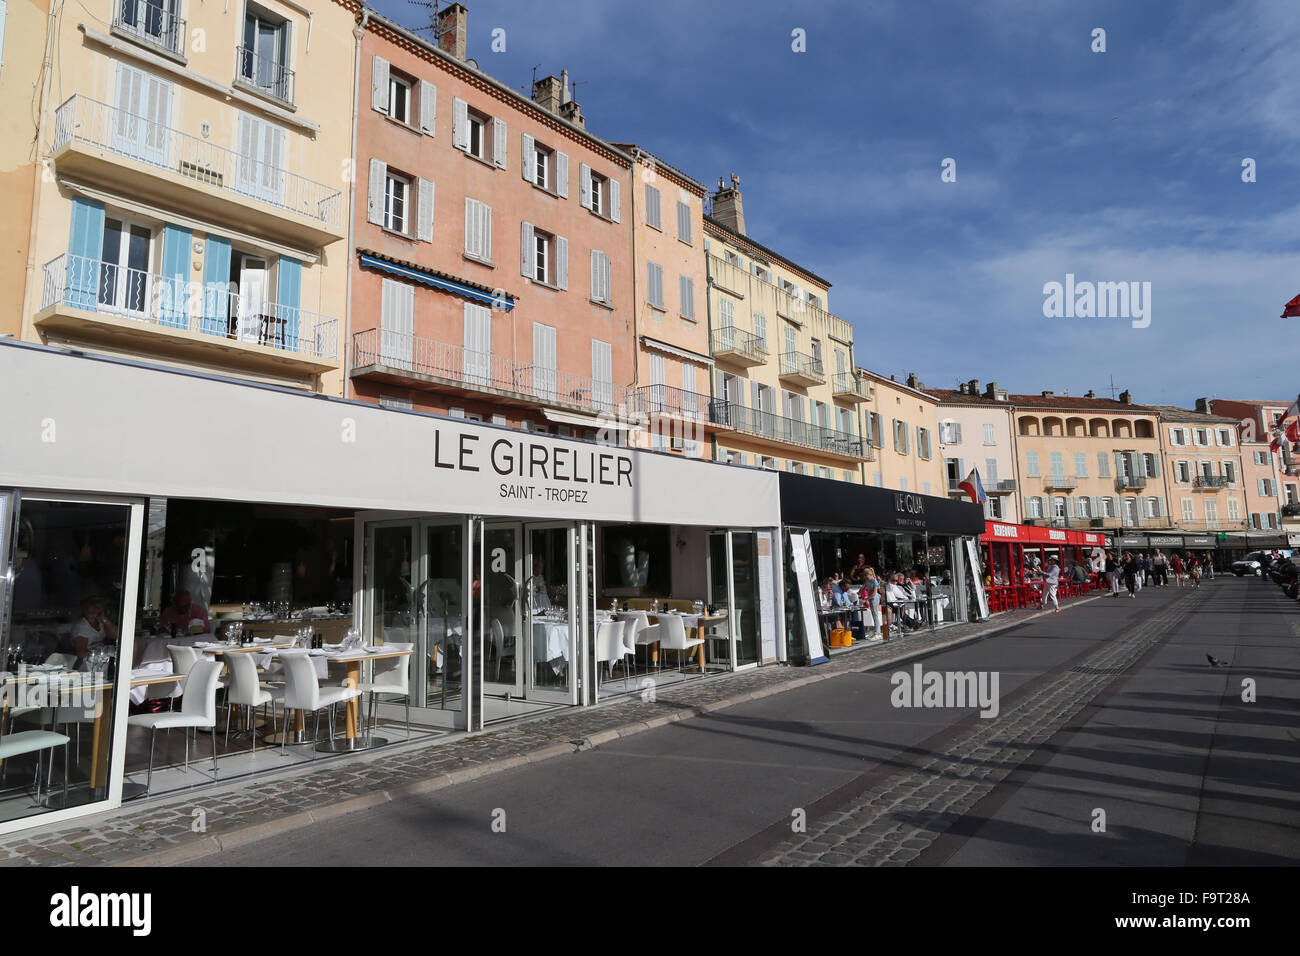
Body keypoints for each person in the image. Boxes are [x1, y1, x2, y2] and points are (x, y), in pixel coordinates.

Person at [72, 596, 118, 664]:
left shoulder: (100, 622)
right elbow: (81, 654)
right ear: (86, 608)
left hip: (101, 661)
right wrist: (105, 651)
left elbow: (116, 635)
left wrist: (105, 620)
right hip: (86, 664)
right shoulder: (81, 627)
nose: (97, 609)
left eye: (99, 606)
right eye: (94, 606)